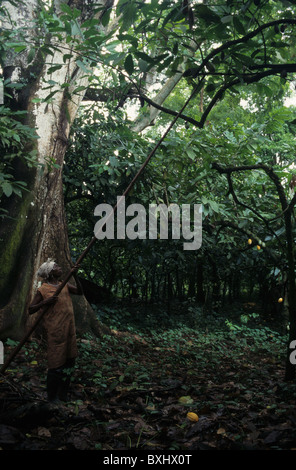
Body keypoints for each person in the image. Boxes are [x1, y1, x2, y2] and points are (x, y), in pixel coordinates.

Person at [29, 259, 83, 402]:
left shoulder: (63, 284)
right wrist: (45, 302)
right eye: (56, 267)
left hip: (69, 329)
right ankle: (52, 397)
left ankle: (63, 394)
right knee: (56, 363)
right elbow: (30, 309)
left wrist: (75, 276)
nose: (60, 268)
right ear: (50, 273)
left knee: (69, 360)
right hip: (55, 330)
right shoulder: (44, 289)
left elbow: (79, 292)